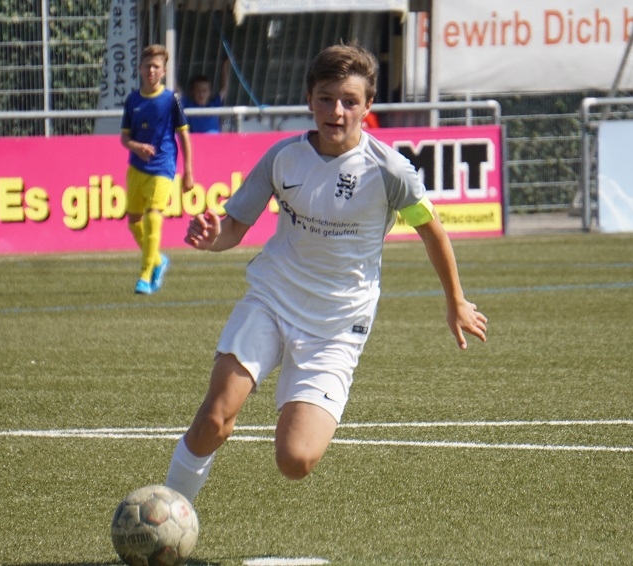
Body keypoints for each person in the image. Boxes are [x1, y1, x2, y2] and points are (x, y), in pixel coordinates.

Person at [164, 44, 488, 503]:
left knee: (295, 459)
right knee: (215, 418)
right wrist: (211, 236)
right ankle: (170, 507)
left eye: (350, 101)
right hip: (272, 300)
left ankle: (297, 406)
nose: (337, 111)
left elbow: (432, 231)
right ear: (309, 99)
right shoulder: (283, 157)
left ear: (368, 105)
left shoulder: (390, 170)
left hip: (337, 325)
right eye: (326, 98)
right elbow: (233, 227)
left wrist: (455, 300)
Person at [120, 44, 194, 295]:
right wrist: (137, 146)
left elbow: (184, 136)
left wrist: (188, 171)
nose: (151, 70)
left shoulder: (171, 100)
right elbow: (124, 138)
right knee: (134, 222)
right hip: (136, 168)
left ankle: (145, 275)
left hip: (163, 166)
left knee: (153, 216)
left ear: (164, 71)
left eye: (156, 66)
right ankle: (158, 260)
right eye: (147, 66)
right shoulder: (132, 100)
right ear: (140, 69)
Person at [180, 59, 230, 133]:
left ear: (210, 92)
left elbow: (224, 89)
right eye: (198, 91)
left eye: (204, 91)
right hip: (197, 139)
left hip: (216, 139)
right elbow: (176, 90)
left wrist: (224, 67)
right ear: (192, 92)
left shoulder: (214, 104)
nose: (201, 94)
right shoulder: (188, 104)